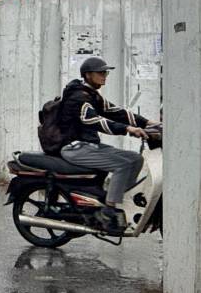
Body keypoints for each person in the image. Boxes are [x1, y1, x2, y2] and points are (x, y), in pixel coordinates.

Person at [58, 57, 160, 234]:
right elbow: (94, 120)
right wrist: (128, 129)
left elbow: (116, 112)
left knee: (135, 159)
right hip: (75, 147)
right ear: (88, 75)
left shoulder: (91, 94)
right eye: (101, 73)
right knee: (122, 164)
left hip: (89, 145)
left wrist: (149, 123)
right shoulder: (78, 97)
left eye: (106, 73)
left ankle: (112, 198)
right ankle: (107, 212)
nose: (105, 76)